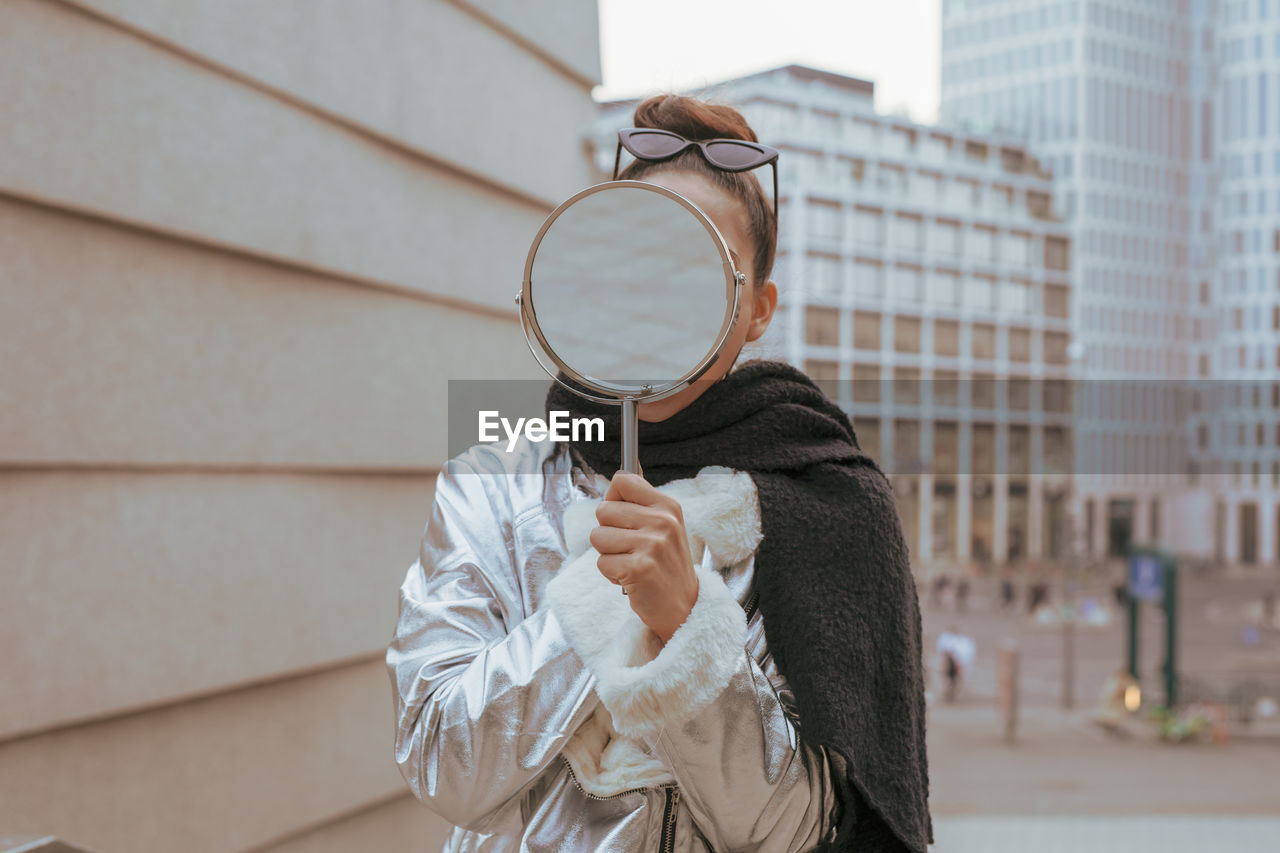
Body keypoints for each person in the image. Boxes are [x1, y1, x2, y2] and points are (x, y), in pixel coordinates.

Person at [386, 94, 932, 852]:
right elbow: (444, 768)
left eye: (703, 271)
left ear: (757, 311)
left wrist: (685, 624)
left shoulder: (828, 505)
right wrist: (598, 602)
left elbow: (796, 830)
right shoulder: (496, 475)